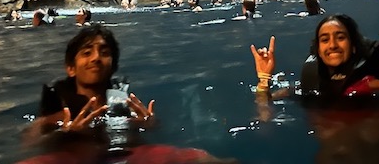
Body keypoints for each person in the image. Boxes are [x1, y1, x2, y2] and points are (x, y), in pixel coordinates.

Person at [22, 25, 226, 163]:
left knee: (203, 158)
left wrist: (150, 125)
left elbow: (141, 140)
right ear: (71, 68)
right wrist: (63, 135)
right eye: (86, 53)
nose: (96, 58)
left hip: (124, 155)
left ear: (113, 65)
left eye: (104, 52)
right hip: (71, 157)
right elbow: (30, 143)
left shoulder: (124, 103)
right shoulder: (57, 108)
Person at [250, 15, 379, 102]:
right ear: (318, 49)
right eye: (324, 40)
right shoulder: (308, 85)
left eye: (340, 37)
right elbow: (265, 107)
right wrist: (264, 79)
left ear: (353, 46)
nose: (332, 45)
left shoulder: (369, 84)